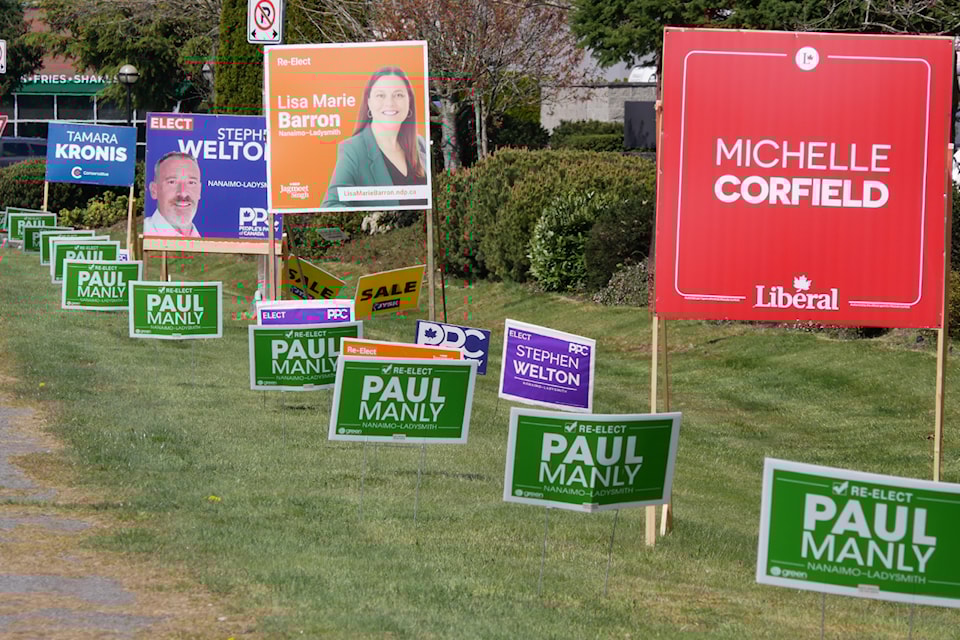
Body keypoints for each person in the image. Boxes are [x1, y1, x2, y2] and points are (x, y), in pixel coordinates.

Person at [321, 66, 428, 209]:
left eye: (398, 95)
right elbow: (331, 205)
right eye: (380, 95)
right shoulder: (354, 150)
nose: (390, 103)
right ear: (369, 102)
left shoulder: (420, 143)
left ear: (409, 102)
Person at [144, 151, 202, 237]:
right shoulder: (140, 235)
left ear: (199, 191)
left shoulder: (211, 245)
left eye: (191, 182)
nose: (183, 193)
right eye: (172, 182)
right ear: (154, 190)